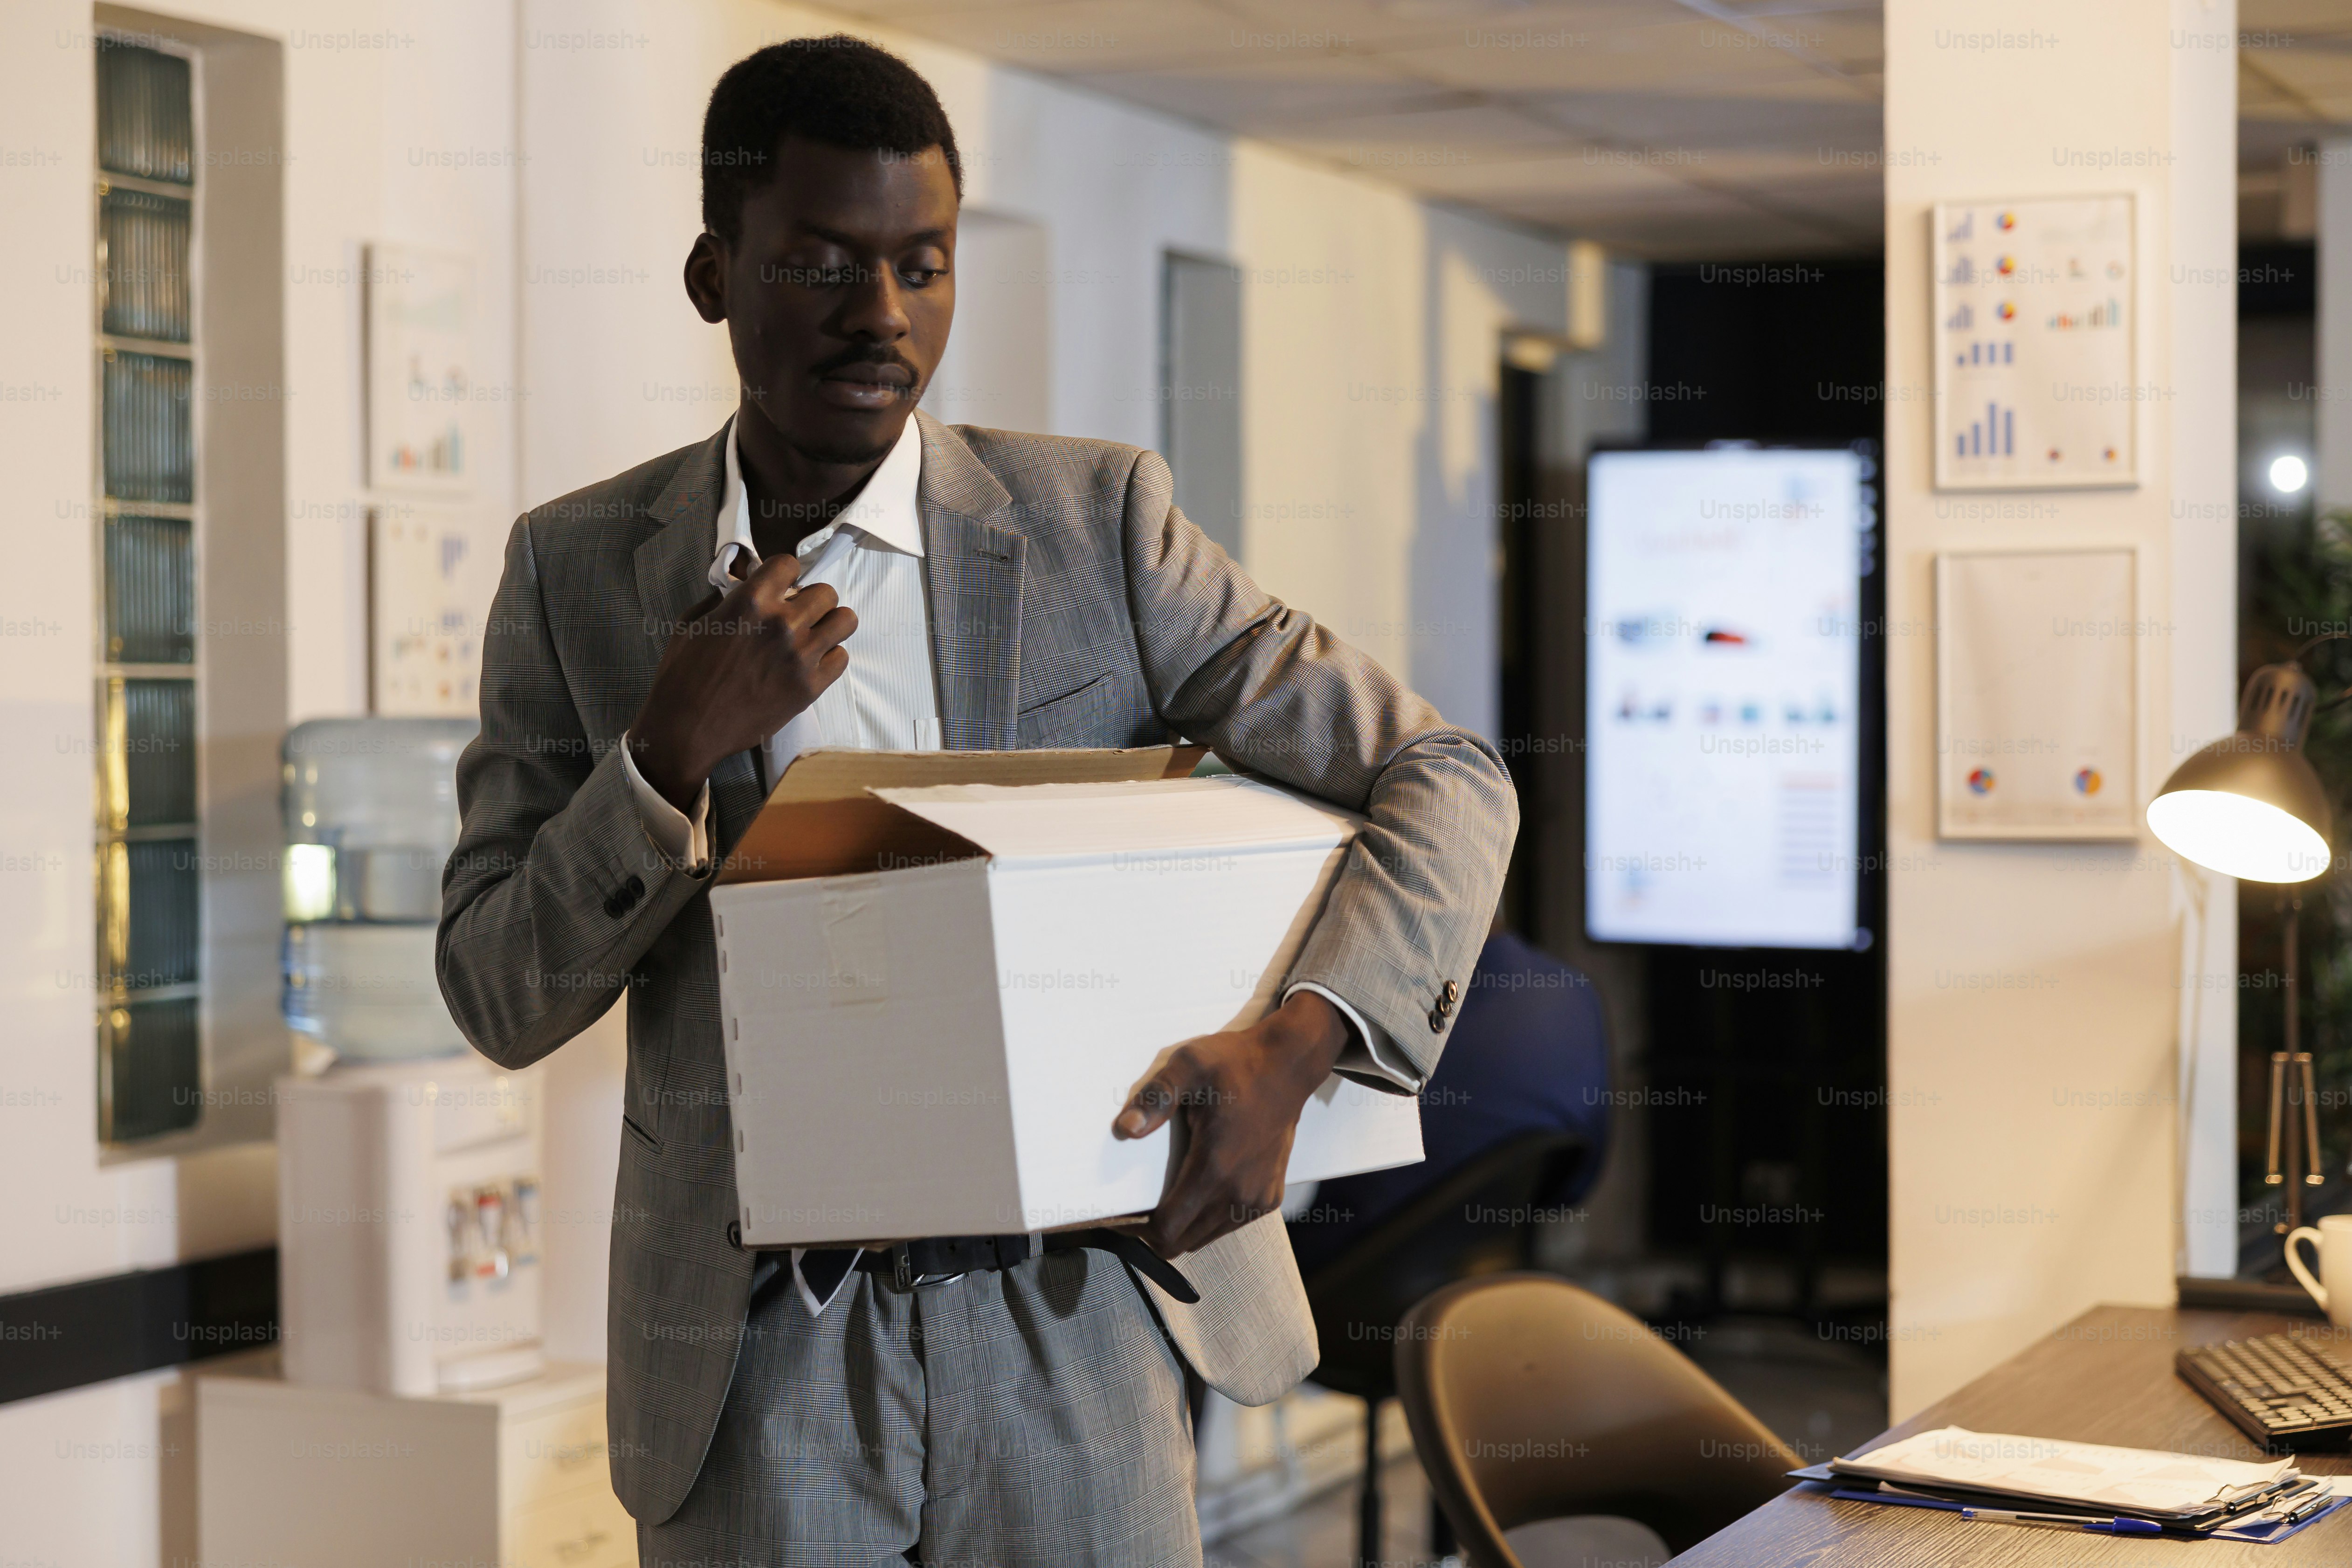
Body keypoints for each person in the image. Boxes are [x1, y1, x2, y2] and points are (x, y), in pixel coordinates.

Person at [436, 36, 1514, 1568]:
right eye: (818, 262)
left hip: (1078, 1318)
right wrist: (661, 758)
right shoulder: (577, 570)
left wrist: (1304, 1041)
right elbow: (492, 986)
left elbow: (1445, 777)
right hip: (758, 1362)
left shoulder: (1100, 529)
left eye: (922, 265)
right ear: (712, 272)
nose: (882, 317)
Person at [1285, 926, 1611, 1280]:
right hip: (1465, 1287)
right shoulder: (1576, 995)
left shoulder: (1341, 1005)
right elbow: (1571, 1187)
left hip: (1318, 1275)